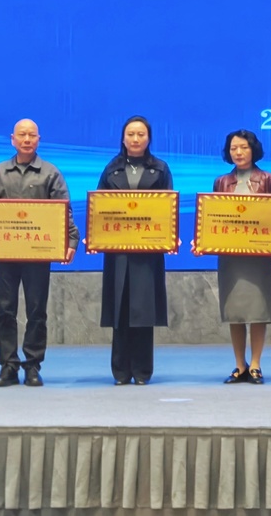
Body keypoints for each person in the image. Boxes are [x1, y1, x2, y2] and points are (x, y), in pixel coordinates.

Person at [0, 118, 78, 388]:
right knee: (5, 310)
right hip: (4, 254)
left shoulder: (51, 173)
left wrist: (71, 241)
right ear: (12, 139)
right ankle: (8, 365)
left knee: (37, 311)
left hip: (38, 254)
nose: (27, 139)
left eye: (32, 135)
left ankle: (33, 365)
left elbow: (65, 212)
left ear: (39, 139)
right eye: (22, 135)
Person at [97, 115, 174, 385]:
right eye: (131, 134)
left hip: (147, 252)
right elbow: (99, 209)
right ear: (123, 138)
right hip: (118, 252)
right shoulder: (111, 169)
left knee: (144, 309)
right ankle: (120, 371)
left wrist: (168, 237)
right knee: (120, 310)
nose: (136, 139)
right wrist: (96, 238)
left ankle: (142, 371)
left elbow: (168, 210)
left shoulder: (160, 169)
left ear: (149, 138)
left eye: (141, 134)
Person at [212, 128, 271, 385]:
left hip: (259, 253)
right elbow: (214, 216)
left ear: (253, 150)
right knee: (235, 310)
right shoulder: (221, 182)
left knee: (258, 309)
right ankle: (239, 364)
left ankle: (256, 364)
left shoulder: (268, 179)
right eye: (233, 148)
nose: (238, 152)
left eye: (243, 147)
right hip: (231, 255)